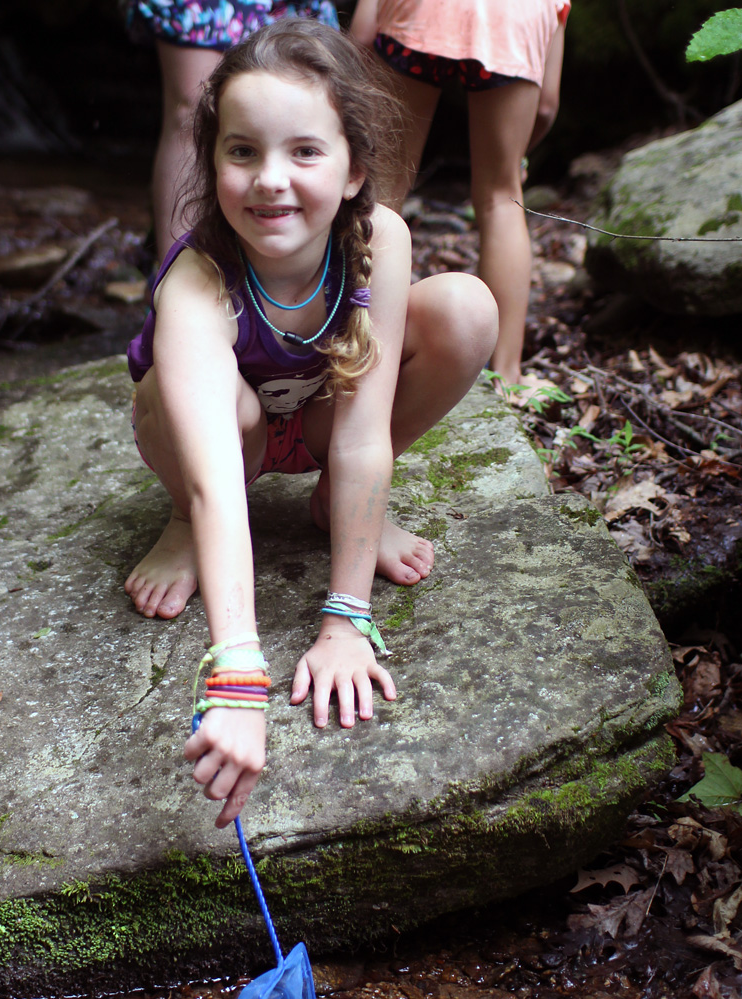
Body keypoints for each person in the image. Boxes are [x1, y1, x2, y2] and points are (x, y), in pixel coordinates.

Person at [124, 19, 498, 828]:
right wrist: (237, 675)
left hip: (328, 422)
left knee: (467, 310)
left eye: (304, 152)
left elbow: (365, 431)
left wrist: (345, 616)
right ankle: (180, 526)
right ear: (212, 160)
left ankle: (337, 505)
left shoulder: (379, 241)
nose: (270, 181)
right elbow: (221, 480)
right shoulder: (196, 283)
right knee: (196, 401)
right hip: (229, 448)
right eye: (242, 151)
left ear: (356, 167)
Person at [351, 0, 569, 389]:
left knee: (383, 192)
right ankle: (507, 376)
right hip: (514, 19)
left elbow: (363, 35)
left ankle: (355, 344)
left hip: (419, 14)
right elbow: (548, 104)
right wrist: (515, 157)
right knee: (502, 199)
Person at [121, 0, 340, 262]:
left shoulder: (388, 233)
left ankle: (307, 276)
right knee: (193, 111)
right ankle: (181, 266)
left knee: (306, 106)